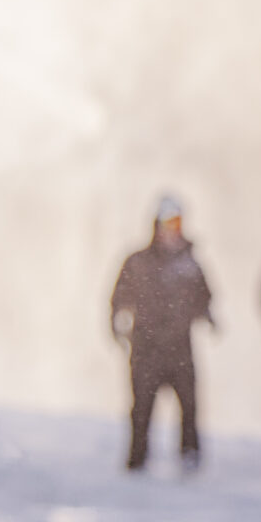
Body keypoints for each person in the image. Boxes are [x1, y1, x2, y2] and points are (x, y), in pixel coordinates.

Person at [110, 194, 214, 473]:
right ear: (155, 225)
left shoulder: (190, 265)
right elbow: (119, 297)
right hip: (146, 347)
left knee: (189, 405)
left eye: (177, 222)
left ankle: (189, 455)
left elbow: (205, 297)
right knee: (142, 407)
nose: (172, 229)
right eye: (168, 223)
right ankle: (137, 458)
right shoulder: (138, 262)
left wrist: (209, 317)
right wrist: (116, 325)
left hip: (180, 347)